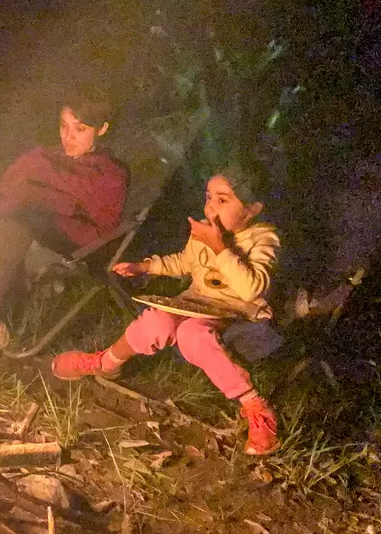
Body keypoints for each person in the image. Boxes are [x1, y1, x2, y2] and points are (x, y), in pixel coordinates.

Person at [51, 167, 282, 455]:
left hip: (236, 312)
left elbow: (251, 289)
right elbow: (184, 263)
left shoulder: (263, 240)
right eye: (209, 197)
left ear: (252, 209)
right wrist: (145, 266)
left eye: (223, 200)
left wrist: (219, 246)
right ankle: (106, 363)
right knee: (157, 322)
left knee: (191, 334)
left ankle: (256, 406)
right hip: (195, 302)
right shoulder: (204, 232)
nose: (211, 206)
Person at [0, 87, 129, 367]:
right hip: (17, 231)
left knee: (10, 229)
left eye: (80, 129)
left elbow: (103, 230)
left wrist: (40, 208)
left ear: (102, 128)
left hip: (68, 244)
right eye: (63, 126)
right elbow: (7, 193)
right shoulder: (41, 158)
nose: (67, 136)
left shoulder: (111, 174)